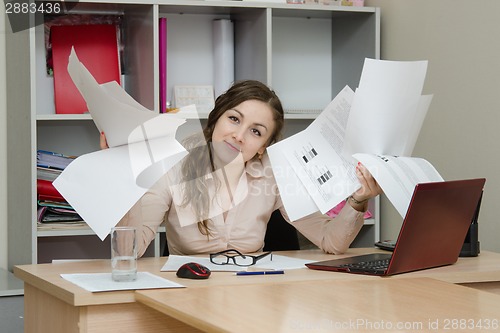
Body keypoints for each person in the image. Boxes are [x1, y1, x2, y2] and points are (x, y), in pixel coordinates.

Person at [101, 80, 382, 257]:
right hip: (188, 294)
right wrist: (122, 178)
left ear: (263, 147)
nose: (239, 135)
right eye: (234, 119)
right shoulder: (173, 165)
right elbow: (129, 251)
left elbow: (330, 241)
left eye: (256, 132)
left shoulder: (275, 173)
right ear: (216, 120)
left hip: (255, 294)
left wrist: (358, 200)